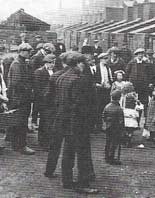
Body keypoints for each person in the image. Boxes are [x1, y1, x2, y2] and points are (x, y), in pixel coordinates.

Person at [55, 52, 98, 193]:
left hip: (64, 122)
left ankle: (66, 181)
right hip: (78, 123)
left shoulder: (61, 77)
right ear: (79, 64)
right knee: (83, 153)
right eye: (83, 64)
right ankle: (83, 184)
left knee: (68, 152)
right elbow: (79, 105)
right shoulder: (78, 80)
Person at [44, 52, 71, 178]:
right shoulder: (74, 76)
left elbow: (47, 96)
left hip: (56, 115)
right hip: (69, 116)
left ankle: (49, 170)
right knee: (68, 147)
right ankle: (67, 175)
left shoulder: (55, 76)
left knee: (54, 145)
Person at [7, 43, 35, 155]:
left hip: (22, 98)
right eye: (28, 51)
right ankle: (20, 145)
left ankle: (17, 143)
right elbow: (16, 83)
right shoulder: (17, 64)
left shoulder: (23, 63)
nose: (29, 53)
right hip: (19, 98)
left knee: (20, 121)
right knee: (20, 122)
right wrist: (29, 89)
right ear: (22, 51)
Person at [33, 54, 56, 148]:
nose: (52, 65)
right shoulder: (39, 72)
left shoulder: (55, 71)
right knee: (44, 121)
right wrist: (45, 95)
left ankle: (49, 140)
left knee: (51, 121)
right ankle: (43, 142)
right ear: (45, 63)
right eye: (50, 63)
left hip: (53, 100)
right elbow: (37, 88)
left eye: (53, 62)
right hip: (43, 101)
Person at [126, 48, 155, 112]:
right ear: (136, 55)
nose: (141, 56)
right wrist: (128, 82)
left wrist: (149, 82)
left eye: (142, 54)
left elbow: (149, 74)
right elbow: (127, 73)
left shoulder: (146, 64)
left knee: (144, 101)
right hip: (134, 85)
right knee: (134, 100)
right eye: (139, 54)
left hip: (143, 86)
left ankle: (144, 114)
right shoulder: (132, 63)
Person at [102, 90, 125, 165]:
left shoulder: (107, 106)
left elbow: (103, 116)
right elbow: (121, 121)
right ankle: (111, 158)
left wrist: (106, 123)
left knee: (108, 142)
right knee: (114, 143)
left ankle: (106, 157)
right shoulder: (119, 109)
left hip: (108, 127)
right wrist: (122, 130)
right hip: (116, 128)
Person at [95, 52, 113, 129]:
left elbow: (111, 78)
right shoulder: (96, 68)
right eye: (105, 59)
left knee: (106, 107)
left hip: (106, 91)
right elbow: (92, 80)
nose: (106, 60)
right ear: (101, 59)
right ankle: (98, 125)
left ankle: (106, 125)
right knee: (98, 108)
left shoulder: (108, 68)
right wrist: (98, 85)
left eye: (107, 58)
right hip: (98, 91)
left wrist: (109, 84)